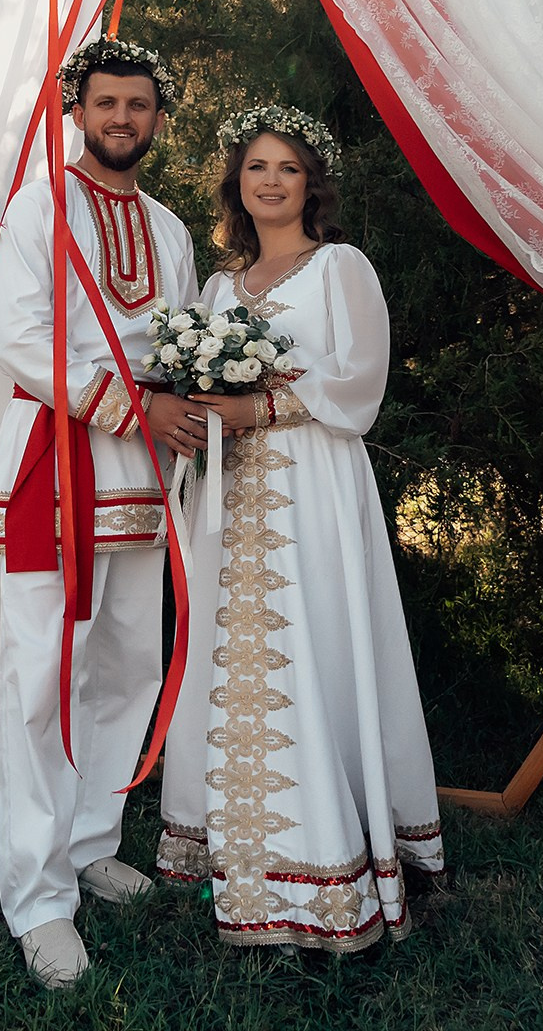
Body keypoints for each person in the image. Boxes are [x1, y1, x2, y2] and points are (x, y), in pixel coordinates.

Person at [156, 105, 445, 951]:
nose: (270, 181)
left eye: (286, 167)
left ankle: (327, 852)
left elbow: (361, 381)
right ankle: (229, 843)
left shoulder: (339, 268)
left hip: (311, 485)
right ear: (236, 185)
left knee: (315, 642)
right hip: (230, 491)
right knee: (226, 649)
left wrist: (263, 404)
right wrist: (202, 412)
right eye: (256, 168)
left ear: (309, 182)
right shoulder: (214, 290)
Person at [0, 38, 206, 987]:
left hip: (146, 476)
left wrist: (190, 403)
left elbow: (188, 335)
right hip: (59, 463)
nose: (123, 118)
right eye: (107, 102)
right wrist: (132, 402)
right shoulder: (38, 207)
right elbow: (20, 339)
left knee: (129, 664)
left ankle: (89, 841)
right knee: (41, 678)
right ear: (77, 111)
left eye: (140, 105)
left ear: (159, 118)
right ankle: (36, 900)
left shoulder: (169, 227)